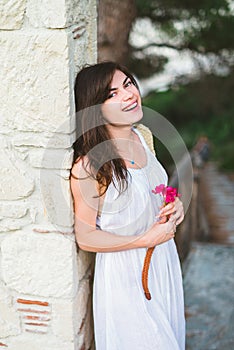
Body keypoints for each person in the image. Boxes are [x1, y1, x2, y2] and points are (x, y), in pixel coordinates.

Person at [70, 61, 185, 350]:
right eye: (112, 94)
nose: (128, 94)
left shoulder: (143, 136)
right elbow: (85, 236)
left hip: (163, 264)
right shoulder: (90, 165)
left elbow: (153, 189)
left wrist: (176, 205)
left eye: (128, 84)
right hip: (125, 276)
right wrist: (145, 238)